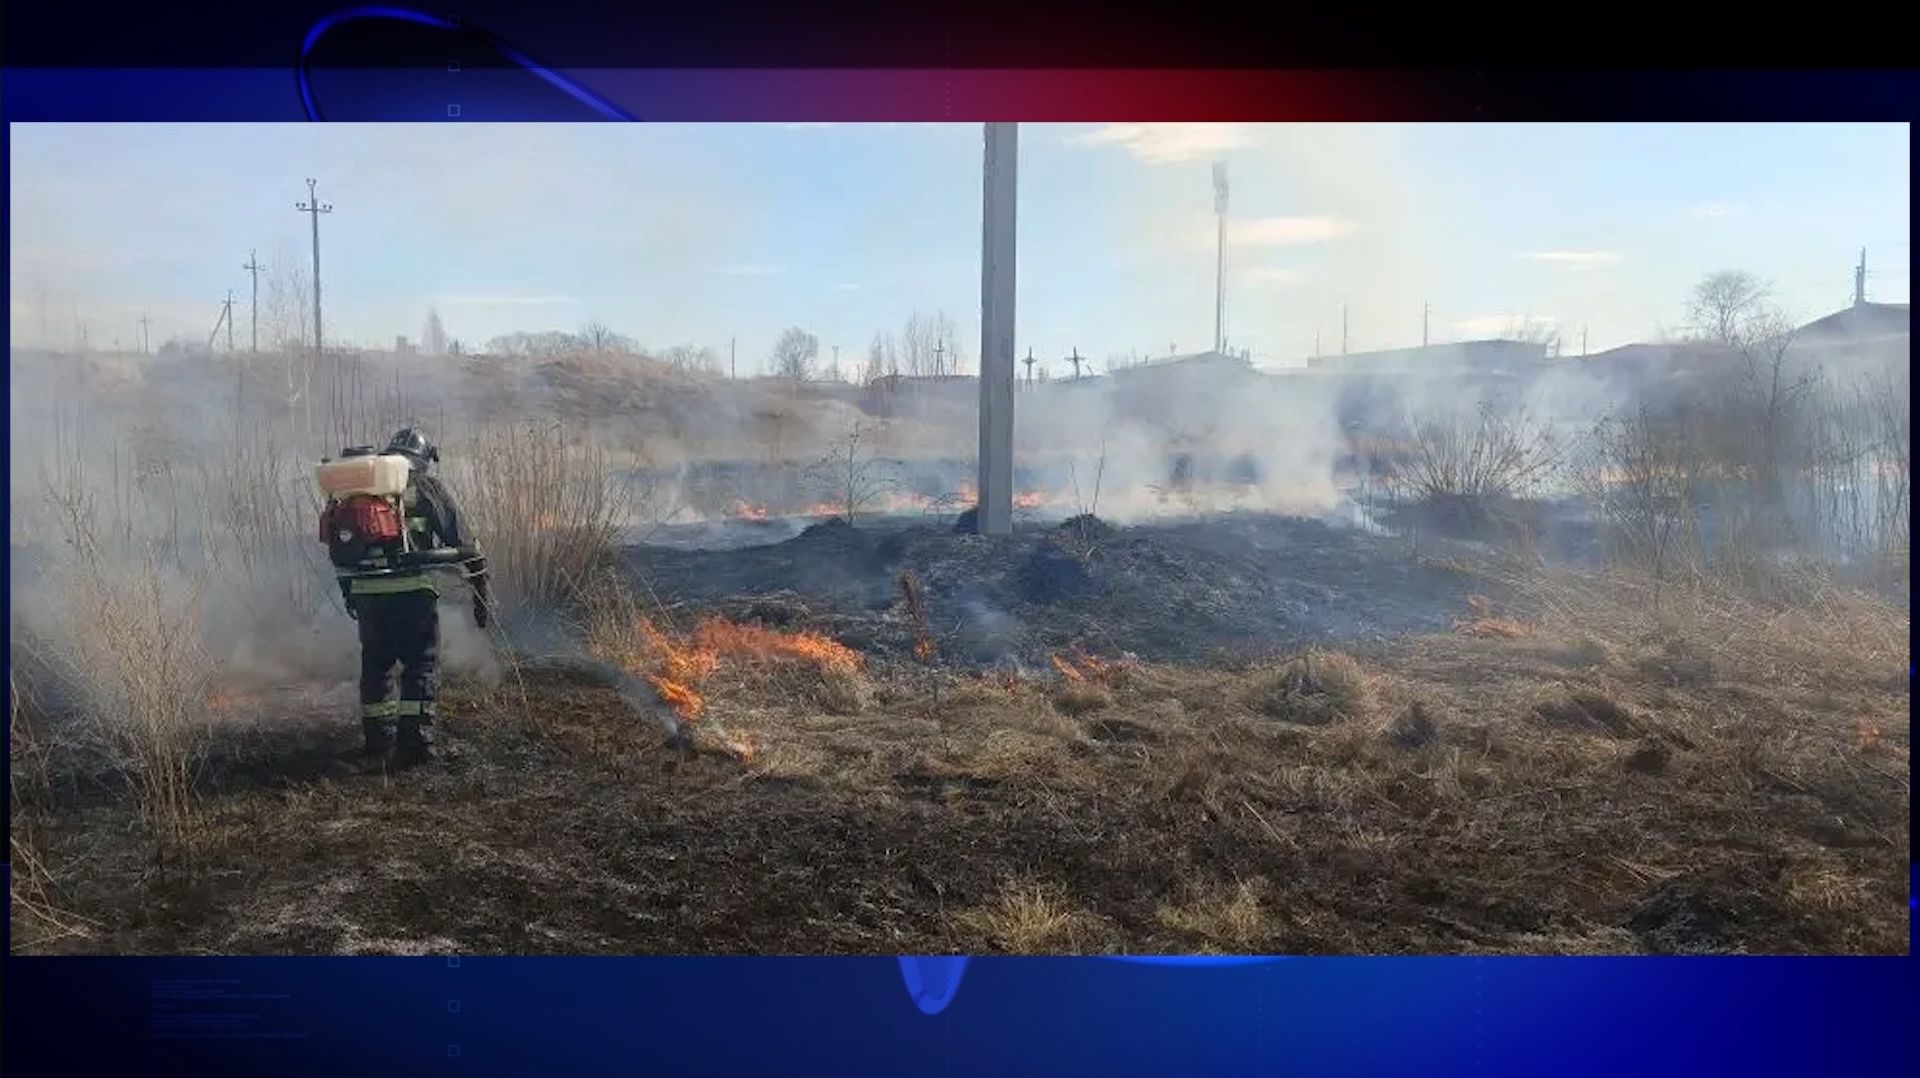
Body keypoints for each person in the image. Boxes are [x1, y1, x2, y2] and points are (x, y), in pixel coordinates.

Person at [339, 427, 493, 768]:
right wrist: (480, 593)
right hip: (411, 595)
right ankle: (415, 744)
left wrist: (351, 594)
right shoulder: (427, 488)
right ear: (424, 460)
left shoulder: (360, 490)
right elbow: (465, 543)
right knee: (420, 665)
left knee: (376, 665)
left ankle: (378, 739)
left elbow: (341, 550)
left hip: (367, 595)